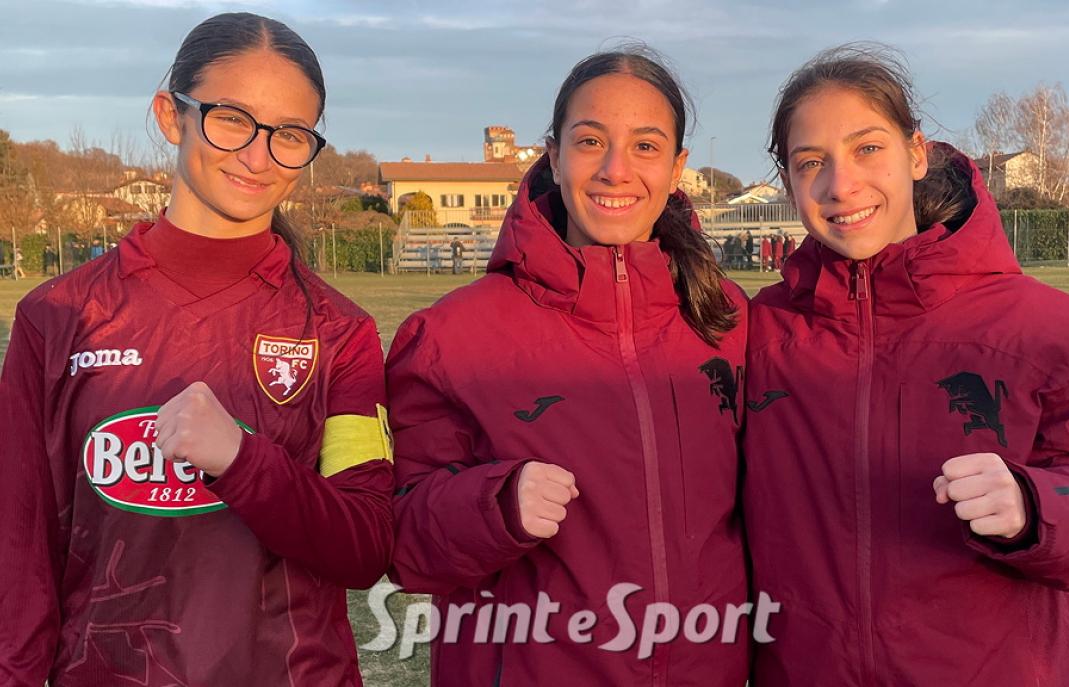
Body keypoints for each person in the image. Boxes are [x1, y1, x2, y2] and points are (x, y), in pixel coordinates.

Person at [0, 13, 394, 685]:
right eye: (233, 118)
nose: (258, 154)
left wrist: (243, 461)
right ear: (170, 115)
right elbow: (19, 549)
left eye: (289, 135)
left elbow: (366, 545)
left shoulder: (338, 331)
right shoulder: (57, 316)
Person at [743, 43, 1069, 686]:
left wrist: (1036, 508)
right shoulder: (759, 333)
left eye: (867, 147)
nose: (840, 184)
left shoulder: (1056, 331)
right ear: (787, 180)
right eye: (809, 160)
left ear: (916, 152)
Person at [388, 48, 751, 686]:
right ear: (552, 156)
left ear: (677, 168)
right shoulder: (450, 337)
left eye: (645, 145)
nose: (616, 170)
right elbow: (404, 544)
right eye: (591, 141)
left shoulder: (727, 320)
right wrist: (493, 506)